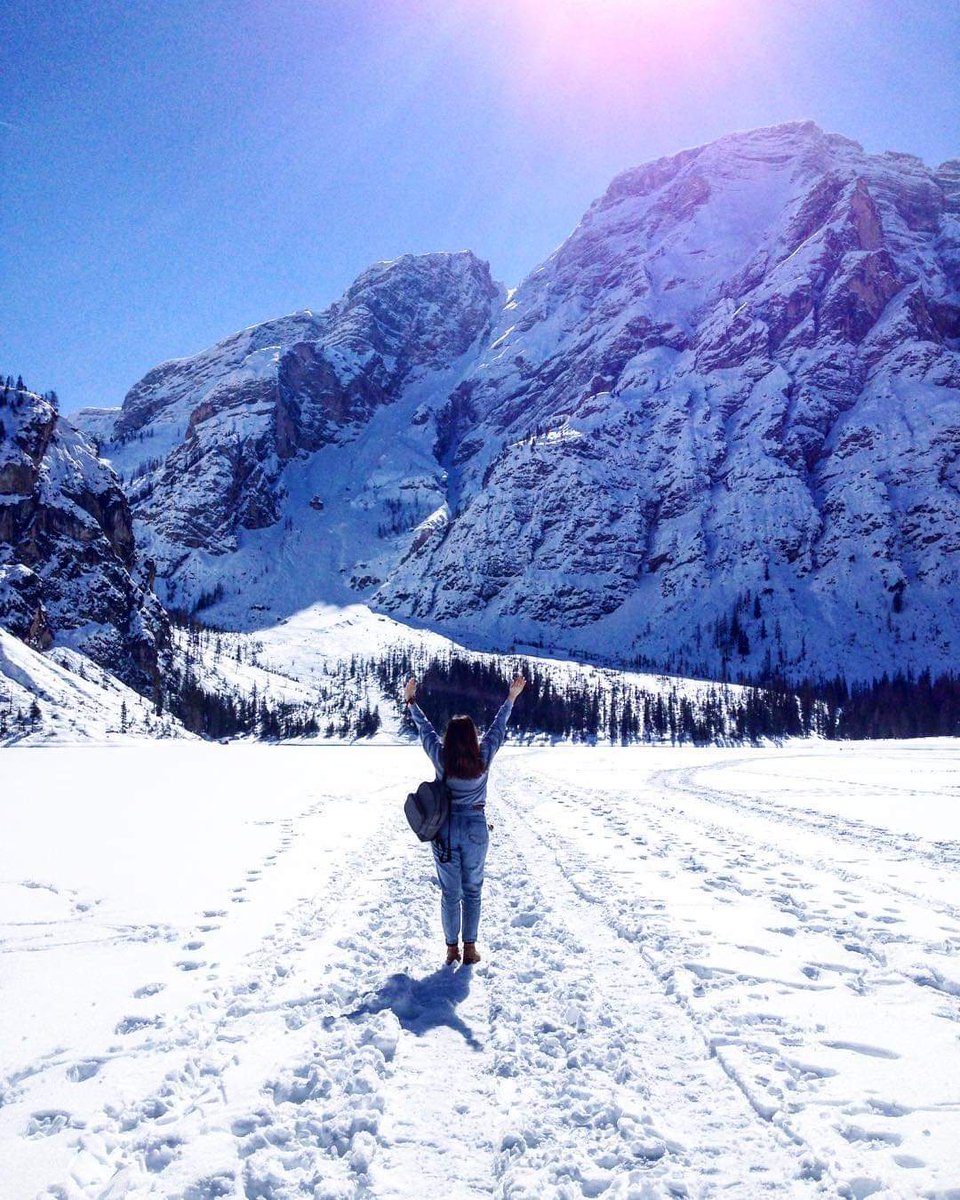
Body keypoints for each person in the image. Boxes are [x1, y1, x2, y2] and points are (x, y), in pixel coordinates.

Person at [404, 673, 526, 965]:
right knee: (473, 891)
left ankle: (451, 950)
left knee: (450, 893)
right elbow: (498, 727)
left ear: (450, 738)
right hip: (475, 828)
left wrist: (411, 701)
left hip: (445, 830)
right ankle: (470, 949)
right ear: (473, 738)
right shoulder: (483, 756)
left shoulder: (441, 758)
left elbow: (425, 730)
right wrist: (511, 697)